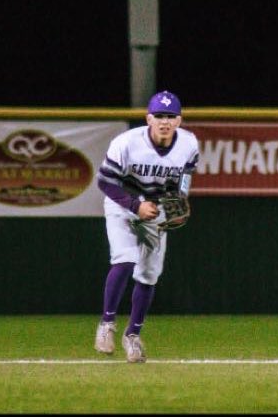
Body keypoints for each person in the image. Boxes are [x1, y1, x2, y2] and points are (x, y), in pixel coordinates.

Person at [93, 90, 199, 363]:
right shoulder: (126, 143)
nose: (165, 121)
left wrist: (181, 197)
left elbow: (185, 176)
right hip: (122, 203)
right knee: (125, 259)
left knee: (150, 274)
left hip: (156, 208)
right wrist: (134, 205)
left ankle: (133, 336)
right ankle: (107, 325)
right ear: (148, 118)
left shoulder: (189, 144)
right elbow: (105, 183)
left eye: (171, 116)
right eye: (159, 116)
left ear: (179, 120)